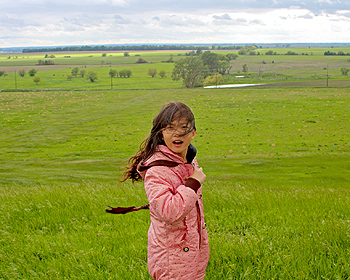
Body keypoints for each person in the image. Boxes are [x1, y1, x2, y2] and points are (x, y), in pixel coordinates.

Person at [121, 101, 209, 280]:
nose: (177, 133)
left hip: (192, 254)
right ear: (161, 134)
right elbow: (169, 212)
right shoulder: (157, 170)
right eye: (170, 128)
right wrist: (193, 182)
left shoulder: (189, 160)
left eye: (184, 127)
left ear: (193, 133)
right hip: (171, 260)